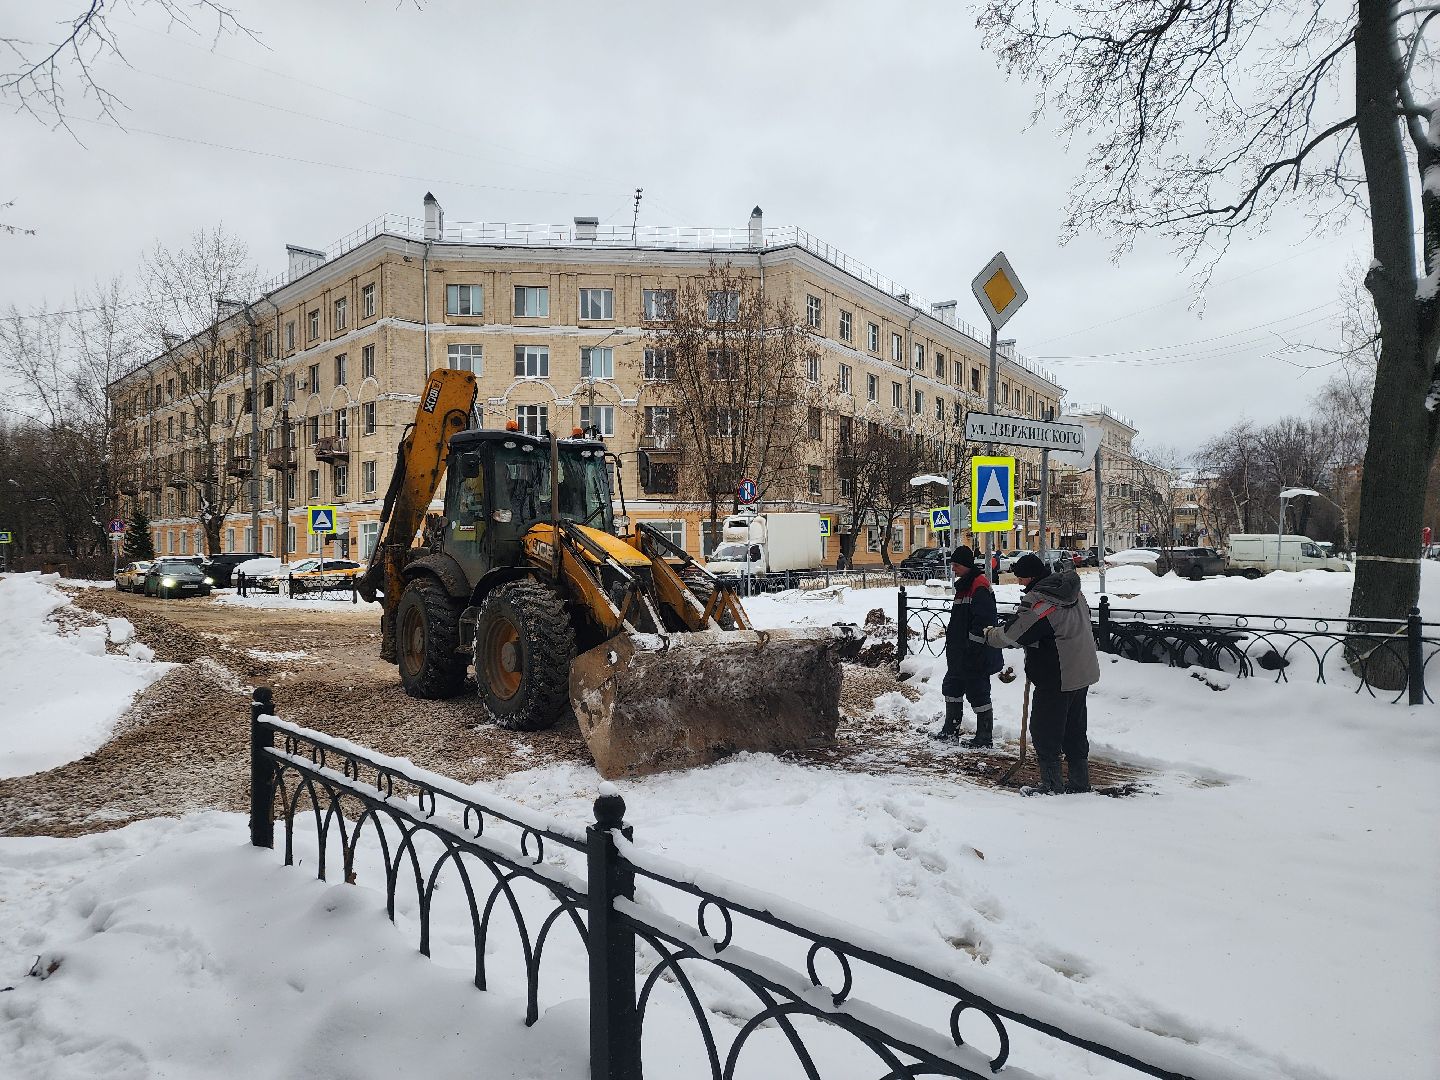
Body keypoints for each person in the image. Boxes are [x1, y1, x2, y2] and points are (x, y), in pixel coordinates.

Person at [984, 552, 1100, 794]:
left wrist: (989, 635)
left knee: (1045, 729)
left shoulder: (1041, 601)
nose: (1019, 583)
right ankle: (1079, 781)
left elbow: (1014, 634)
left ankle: (1051, 785)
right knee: (1074, 728)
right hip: (1082, 669)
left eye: (1022, 578)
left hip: (1056, 674)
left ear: (1033, 577)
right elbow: (1063, 627)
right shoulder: (1073, 592)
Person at [934, 545, 1003, 746]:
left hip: (974, 654)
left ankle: (984, 736)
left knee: (978, 692)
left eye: (956, 565)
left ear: (965, 565)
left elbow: (983, 622)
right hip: (959, 652)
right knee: (952, 687)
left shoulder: (978, 586)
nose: (953, 569)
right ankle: (950, 730)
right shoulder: (965, 585)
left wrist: (972, 649)